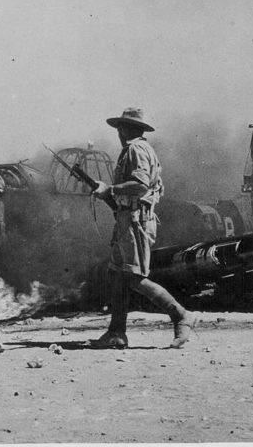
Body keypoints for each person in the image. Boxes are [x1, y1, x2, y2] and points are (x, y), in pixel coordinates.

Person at [88, 107, 195, 349]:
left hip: (136, 221)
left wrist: (110, 190)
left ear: (126, 129)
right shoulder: (138, 149)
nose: (118, 132)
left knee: (134, 277)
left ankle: (180, 315)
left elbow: (139, 184)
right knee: (117, 275)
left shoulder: (136, 149)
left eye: (120, 128)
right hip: (128, 218)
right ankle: (116, 333)